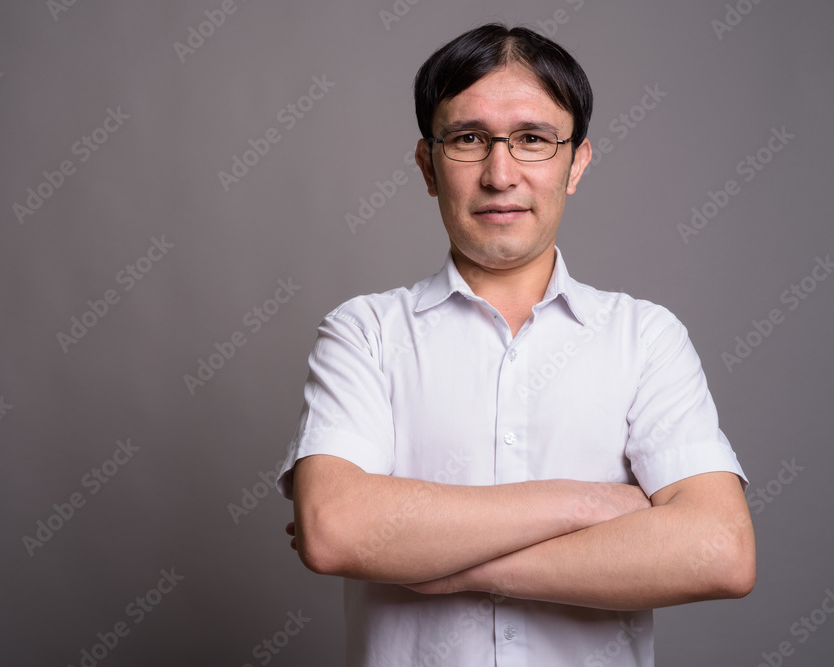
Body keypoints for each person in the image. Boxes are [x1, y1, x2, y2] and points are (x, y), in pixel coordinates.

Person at [277, 22, 755, 666]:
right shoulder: (364, 332)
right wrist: (591, 504)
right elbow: (336, 531)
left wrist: (464, 566)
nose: (500, 174)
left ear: (575, 163)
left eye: (533, 139)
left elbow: (719, 551)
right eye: (469, 139)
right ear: (427, 164)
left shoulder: (646, 338)